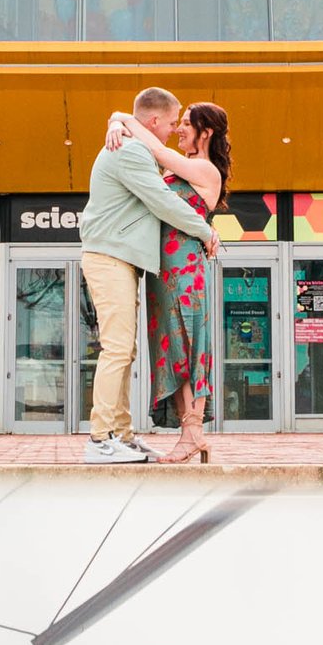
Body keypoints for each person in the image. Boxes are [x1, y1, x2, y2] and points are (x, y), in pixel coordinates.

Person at [78, 85, 217, 463]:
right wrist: (205, 231)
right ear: (154, 121)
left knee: (126, 349)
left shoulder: (133, 146)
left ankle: (121, 434)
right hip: (110, 257)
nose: (174, 129)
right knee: (118, 348)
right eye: (173, 122)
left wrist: (119, 118)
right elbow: (161, 199)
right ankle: (101, 438)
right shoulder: (131, 150)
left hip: (123, 259)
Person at [106, 98, 231, 463]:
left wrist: (123, 119)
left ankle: (193, 435)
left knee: (189, 347)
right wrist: (116, 122)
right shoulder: (187, 167)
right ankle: (188, 433)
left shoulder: (205, 170)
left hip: (186, 271)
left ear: (205, 133)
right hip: (164, 271)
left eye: (187, 125)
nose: (179, 129)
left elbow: (157, 149)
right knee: (169, 350)